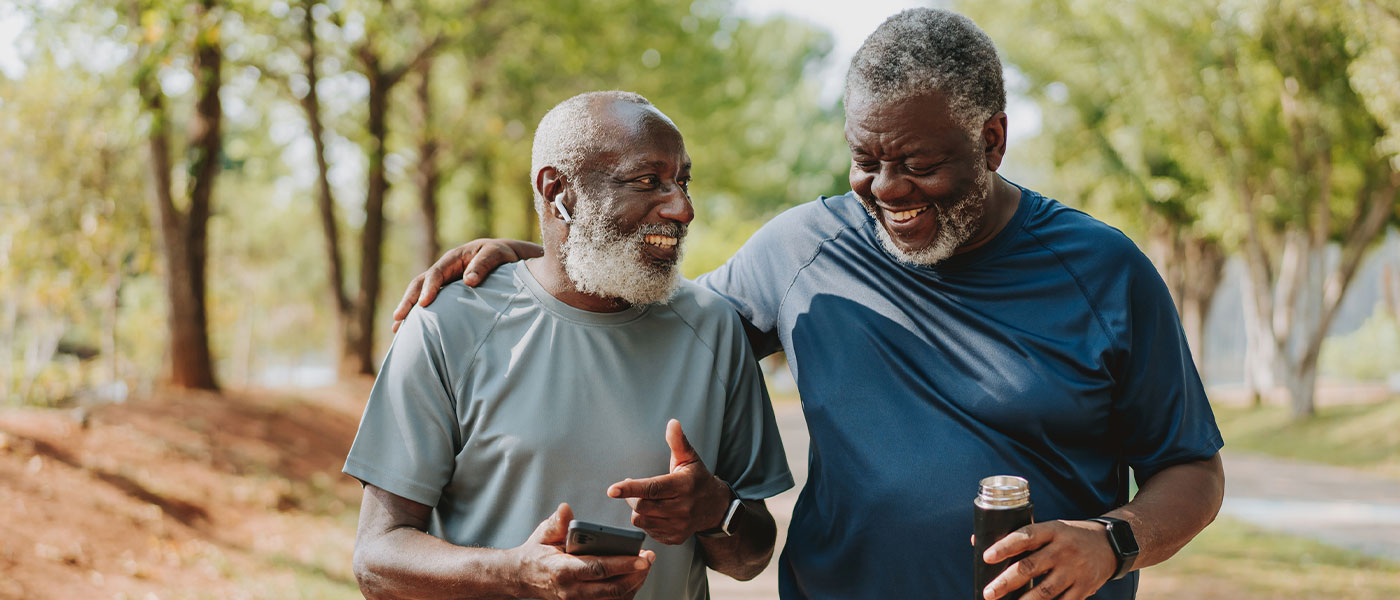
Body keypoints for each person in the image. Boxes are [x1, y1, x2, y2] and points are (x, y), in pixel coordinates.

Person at [391, 10, 1225, 600]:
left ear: (992, 141)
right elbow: (658, 316)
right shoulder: (801, 248)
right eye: (865, 158)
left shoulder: (1102, 270)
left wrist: (1112, 543)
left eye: (920, 163)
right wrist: (544, 250)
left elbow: (1192, 468)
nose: (887, 189)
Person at [346, 91, 794, 600]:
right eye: (647, 181)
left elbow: (752, 558)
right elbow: (377, 560)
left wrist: (717, 511)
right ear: (559, 190)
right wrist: (514, 574)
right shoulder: (448, 324)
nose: (682, 208)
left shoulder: (713, 327)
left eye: (682, 181)